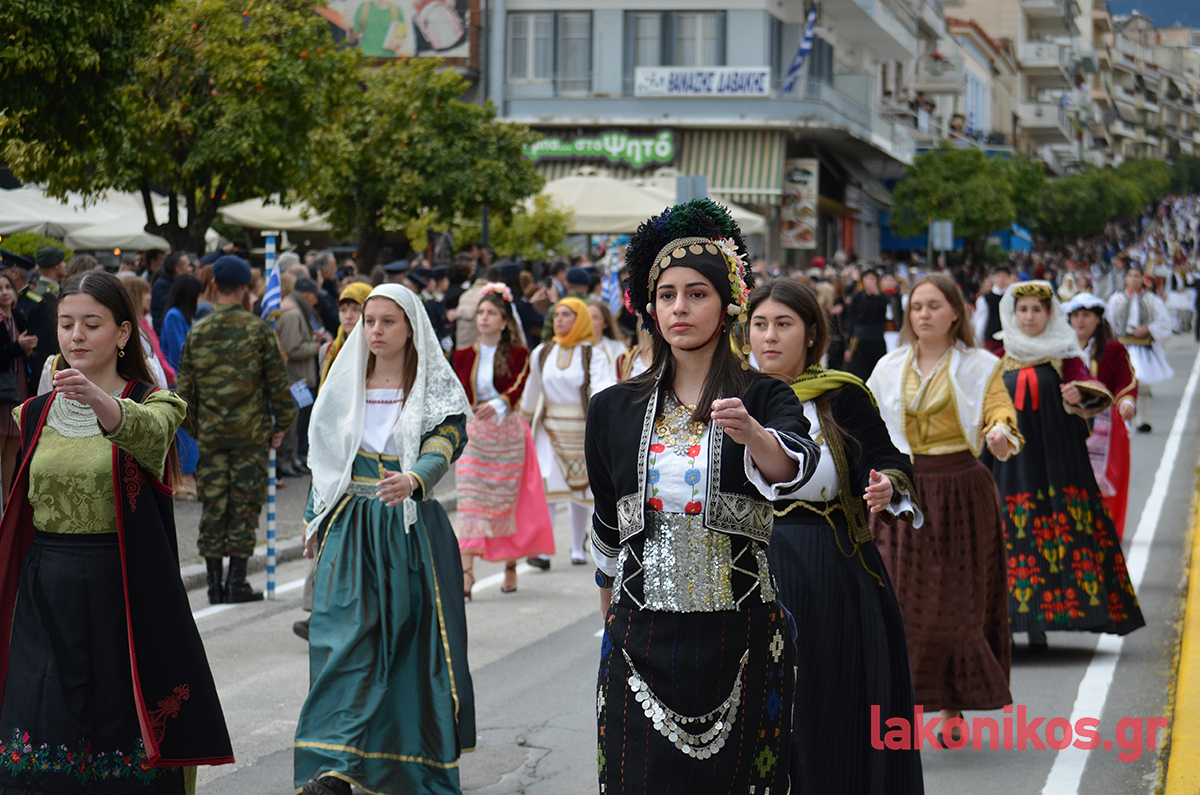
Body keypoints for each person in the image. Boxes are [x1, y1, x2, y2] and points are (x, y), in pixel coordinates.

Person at [586, 200, 819, 794]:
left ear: (728, 305)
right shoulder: (613, 407)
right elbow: (608, 529)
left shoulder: (764, 396)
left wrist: (753, 435)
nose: (679, 308)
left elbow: (794, 465)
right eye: (666, 296)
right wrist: (612, 622)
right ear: (650, 307)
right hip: (638, 639)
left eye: (696, 294)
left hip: (741, 636)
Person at [0, 271, 233, 793]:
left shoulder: (155, 404)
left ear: (124, 332)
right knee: (40, 723)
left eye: (92, 323)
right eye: (66, 324)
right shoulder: (33, 413)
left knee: (117, 722)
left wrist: (96, 399)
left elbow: (147, 437)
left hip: (122, 591)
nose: (76, 336)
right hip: (46, 591)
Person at [295, 284, 475, 795]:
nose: (374, 330)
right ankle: (333, 767)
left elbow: (448, 437)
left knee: (405, 647)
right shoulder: (345, 379)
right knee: (342, 642)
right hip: (351, 525)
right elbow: (325, 456)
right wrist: (314, 520)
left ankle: (406, 764)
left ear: (411, 328)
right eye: (369, 320)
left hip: (408, 527)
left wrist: (416, 476)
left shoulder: (430, 383)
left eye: (387, 321)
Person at [748, 279, 923, 791]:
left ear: (811, 334)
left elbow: (885, 455)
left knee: (828, 702)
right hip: (747, 565)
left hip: (830, 566)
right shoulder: (731, 395)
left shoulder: (840, 395)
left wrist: (888, 484)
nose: (769, 337)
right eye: (759, 324)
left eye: (783, 324)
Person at [867, 272, 1022, 742]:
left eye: (934, 306)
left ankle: (952, 705)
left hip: (961, 493)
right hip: (902, 490)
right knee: (899, 603)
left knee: (958, 606)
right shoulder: (888, 367)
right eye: (917, 307)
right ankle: (902, 706)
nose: (924, 315)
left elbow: (999, 411)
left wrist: (1000, 432)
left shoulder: (981, 365)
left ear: (956, 312)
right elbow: (864, 420)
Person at [985, 282, 1144, 648]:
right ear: (1012, 313)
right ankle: (1007, 621)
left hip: (1057, 459)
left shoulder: (1064, 353)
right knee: (1007, 531)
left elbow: (1092, 388)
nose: (1029, 317)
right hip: (1008, 461)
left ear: (1049, 314)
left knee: (1056, 530)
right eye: (1022, 310)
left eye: (1036, 310)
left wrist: (1079, 393)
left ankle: (1041, 622)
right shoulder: (997, 356)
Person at [176, 256, 298, 605]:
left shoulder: (198, 331)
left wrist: (198, 429)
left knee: (214, 507)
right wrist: (280, 426)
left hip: (212, 437)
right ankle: (237, 582)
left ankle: (214, 584)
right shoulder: (259, 331)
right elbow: (278, 386)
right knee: (244, 507)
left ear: (214, 285)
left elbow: (184, 393)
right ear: (245, 289)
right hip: (251, 437)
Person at [452, 284, 555, 595]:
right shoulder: (462, 355)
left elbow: (520, 383)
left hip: (507, 434)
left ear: (505, 321)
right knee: (470, 500)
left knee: (507, 501)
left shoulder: (519, 354)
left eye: (491, 313)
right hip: (474, 436)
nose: (484, 318)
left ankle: (510, 565)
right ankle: (466, 572)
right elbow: (456, 392)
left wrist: (499, 403)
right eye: (481, 313)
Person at [521, 297, 615, 566]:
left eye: (566, 315)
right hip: (549, 427)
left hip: (582, 427)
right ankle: (543, 550)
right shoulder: (542, 352)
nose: (559, 320)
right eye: (557, 315)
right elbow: (532, 388)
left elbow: (602, 389)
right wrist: (524, 420)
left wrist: (604, 424)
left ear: (580, 319)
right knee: (548, 485)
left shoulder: (592, 354)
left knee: (582, 489)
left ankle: (577, 547)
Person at [1064, 293, 1138, 542]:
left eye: (1086, 315)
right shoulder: (1061, 351)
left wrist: (1126, 402)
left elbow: (1126, 381)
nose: (1080, 320)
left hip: (1107, 426)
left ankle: (1107, 531)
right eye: (1075, 315)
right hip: (1069, 425)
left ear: (1098, 319)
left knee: (1109, 478)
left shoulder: (1113, 349)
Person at [1106, 266, 1173, 433]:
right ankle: (1123, 418)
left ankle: (1141, 420)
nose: (1134, 279)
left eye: (1137, 276)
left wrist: (1148, 329)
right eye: (1131, 276)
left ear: (1143, 279)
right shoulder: (1116, 299)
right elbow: (1109, 322)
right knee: (1122, 382)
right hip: (1122, 345)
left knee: (1143, 383)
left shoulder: (1152, 300)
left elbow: (1164, 323)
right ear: (1125, 279)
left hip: (1142, 347)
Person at [278, 278, 332, 477]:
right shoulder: (293, 314)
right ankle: (285, 461)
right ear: (307, 295)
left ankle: (293, 459)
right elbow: (292, 348)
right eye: (315, 297)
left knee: (299, 424)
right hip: (294, 379)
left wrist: (312, 339)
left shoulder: (298, 311)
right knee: (291, 425)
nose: (316, 301)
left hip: (300, 378)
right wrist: (317, 347)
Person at [161, 275, 204, 498]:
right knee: (186, 432)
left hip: (186, 379)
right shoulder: (174, 316)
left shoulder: (182, 316)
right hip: (178, 381)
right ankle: (185, 479)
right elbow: (180, 350)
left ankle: (189, 477)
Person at [0, 273, 35, 498]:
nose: (4, 293)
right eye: (0, 289)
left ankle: (6, 501)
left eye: (8, 288)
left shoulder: (19, 317)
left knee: (13, 446)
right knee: (2, 442)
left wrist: (28, 350)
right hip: (3, 390)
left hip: (20, 384)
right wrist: (18, 347)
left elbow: (29, 356)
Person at [319, 282, 373, 387]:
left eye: (356, 310)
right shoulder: (328, 350)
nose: (348, 316)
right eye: (343, 310)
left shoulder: (378, 350)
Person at [844, 268, 889, 379]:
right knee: (859, 372)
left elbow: (887, 310)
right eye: (867, 278)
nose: (870, 281)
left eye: (872, 278)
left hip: (877, 338)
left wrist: (877, 294)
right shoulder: (857, 297)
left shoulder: (882, 297)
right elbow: (851, 320)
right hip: (860, 338)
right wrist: (848, 346)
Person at [973, 265, 1012, 353]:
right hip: (991, 339)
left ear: (1009, 278)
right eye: (999, 276)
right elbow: (980, 321)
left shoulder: (1012, 298)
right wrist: (978, 341)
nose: (1001, 279)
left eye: (1004, 276)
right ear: (994, 277)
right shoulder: (985, 299)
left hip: (1008, 340)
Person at [588, 300, 626, 378]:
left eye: (595, 318)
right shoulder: (576, 346)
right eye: (586, 317)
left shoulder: (617, 347)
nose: (589, 321)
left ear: (605, 323)